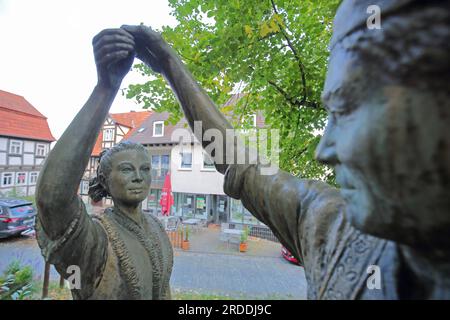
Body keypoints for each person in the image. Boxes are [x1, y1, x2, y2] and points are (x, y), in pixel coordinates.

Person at [121, 0, 450, 299]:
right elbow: (240, 162)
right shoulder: (332, 230)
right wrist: (169, 65)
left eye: (348, 108)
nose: (326, 150)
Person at [35, 29, 173, 300]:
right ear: (106, 180)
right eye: (126, 169)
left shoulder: (156, 228)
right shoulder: (96, 238)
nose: (138, 177)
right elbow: (52, 198)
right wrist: (105, 88)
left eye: (144, 169)